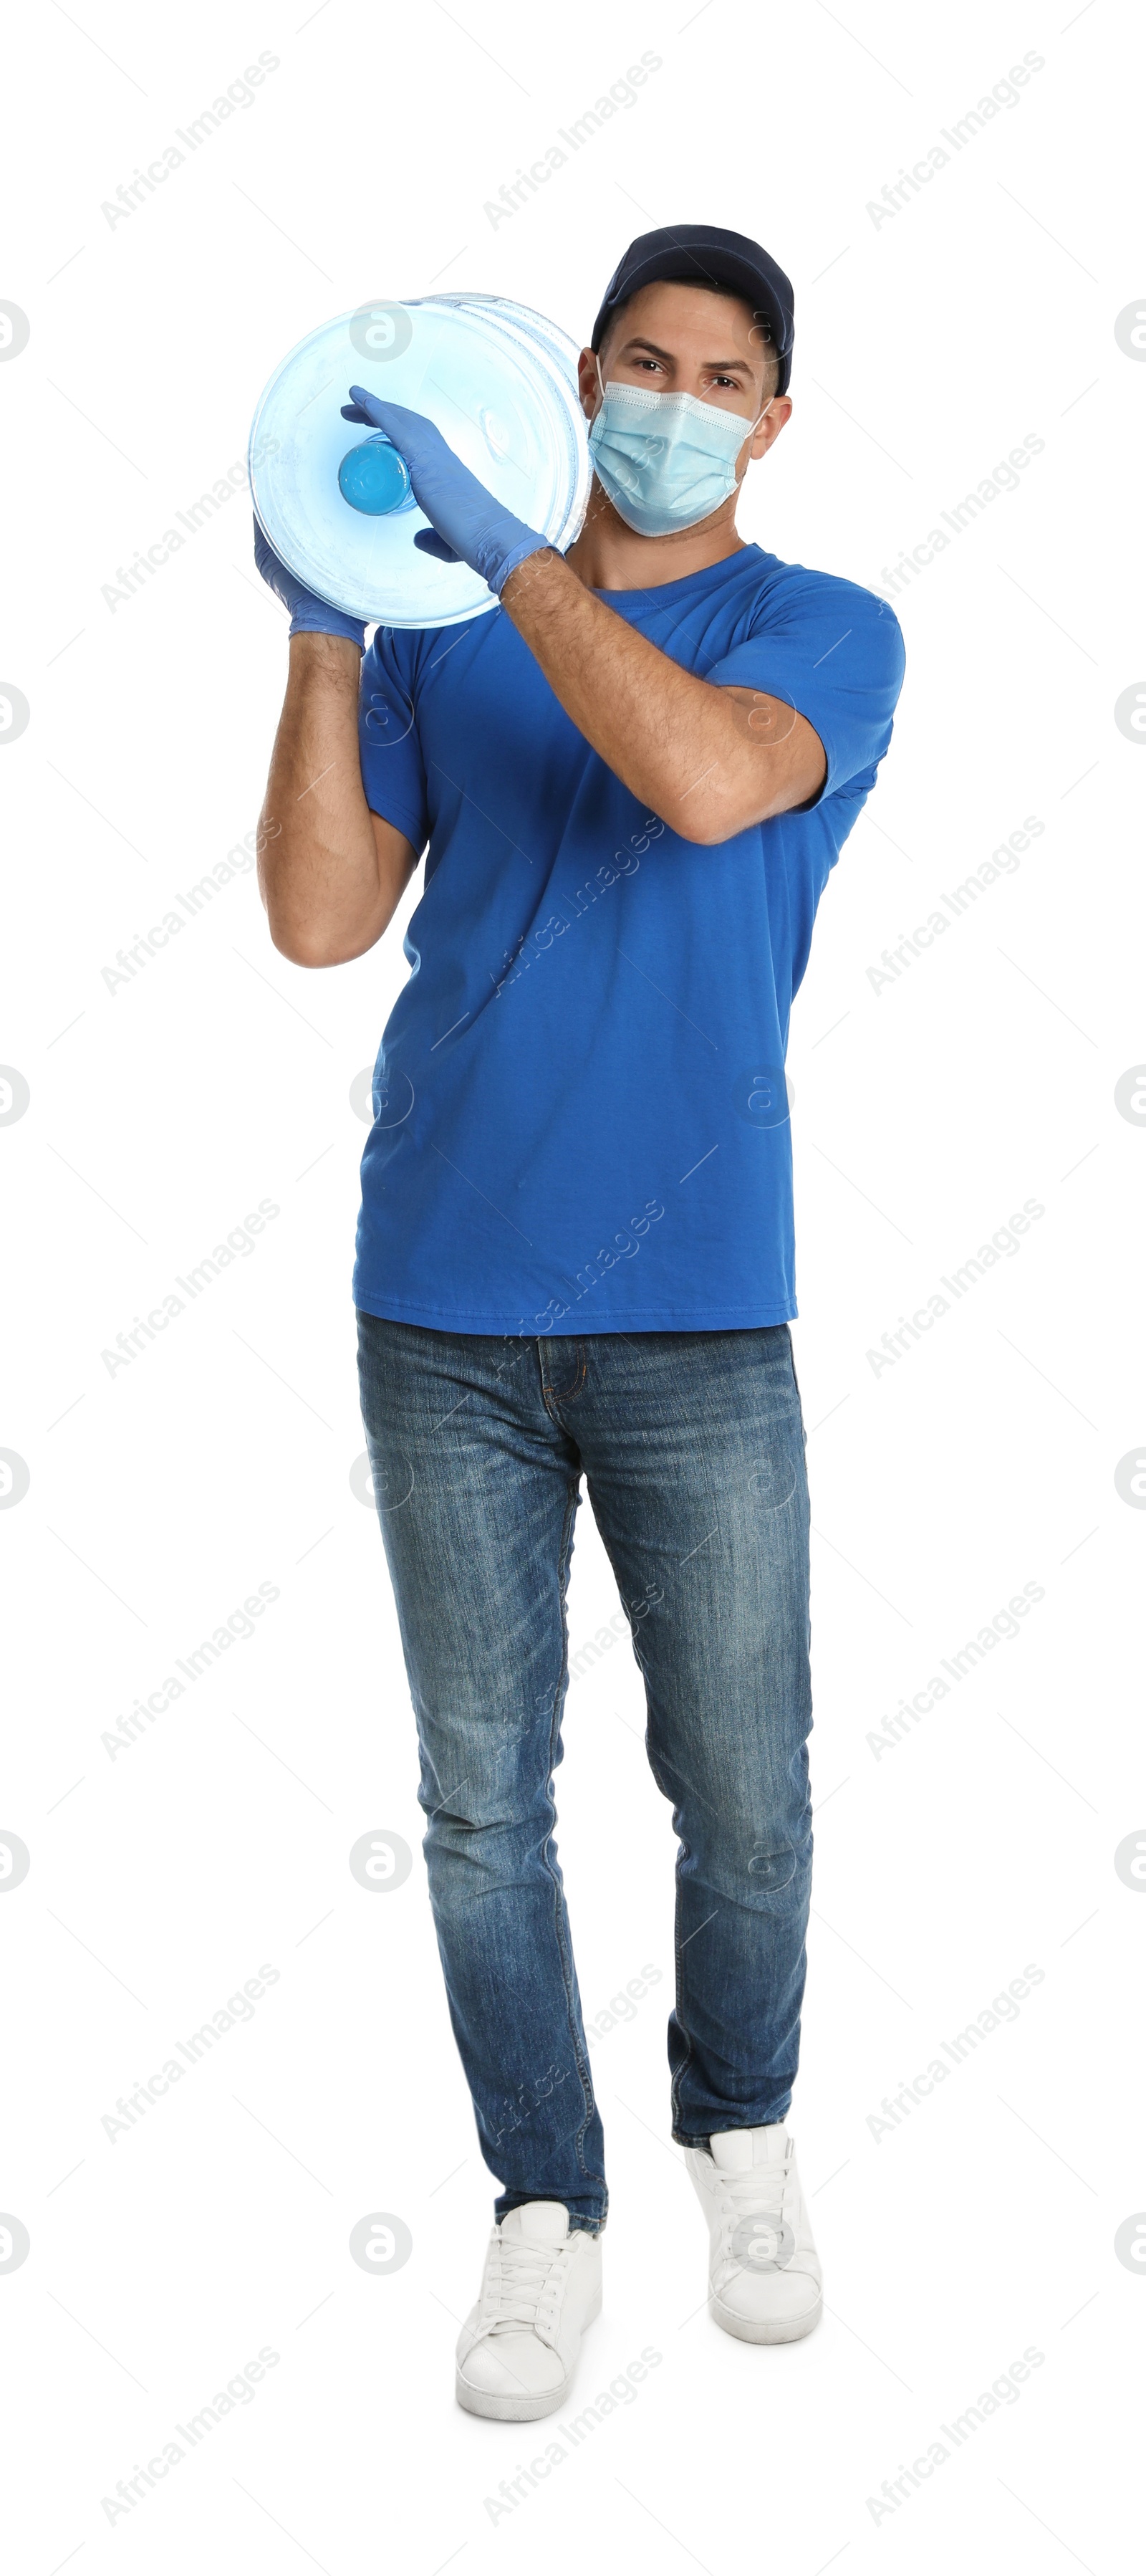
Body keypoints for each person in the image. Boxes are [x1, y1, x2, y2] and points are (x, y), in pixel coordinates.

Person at [255, 224, 905, 2421]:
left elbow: (708, 779)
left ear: (774, 418)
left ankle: (745, 2134)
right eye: (640, 358)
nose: (672, 400)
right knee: (476, 1806)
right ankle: (546, 2206)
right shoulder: (446, 625)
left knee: (746, 1790)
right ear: (576, 367)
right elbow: (325, 923)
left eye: (720, 377)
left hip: (703, 1316)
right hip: (438, 1301)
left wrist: (523, 562)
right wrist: (331, 641)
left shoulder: (822, 632)